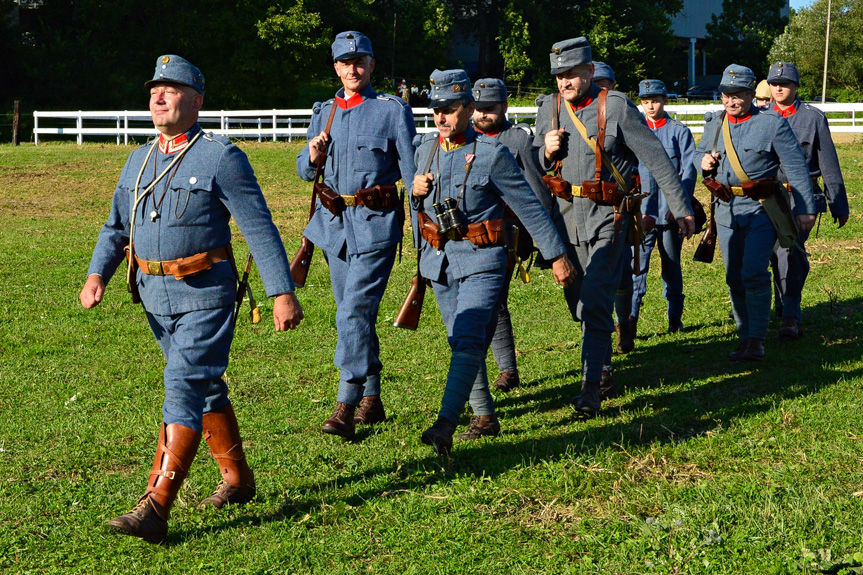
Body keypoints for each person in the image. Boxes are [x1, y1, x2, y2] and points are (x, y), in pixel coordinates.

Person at [79, 55, 304, 543]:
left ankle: (155, 506)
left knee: (182, 383)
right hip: (155, 297)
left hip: (206, 294)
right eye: (155, 90)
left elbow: (259, 228)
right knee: (204, 387)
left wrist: (281, 293)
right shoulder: (139, 158)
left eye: (172, 89)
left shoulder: (221, 157)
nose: (159, 97)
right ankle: (239, 481)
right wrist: (98, 273)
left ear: (197, 100)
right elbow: (117, 226)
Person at [412, 69, 575, 454]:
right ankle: (484, 416)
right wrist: (415, 194)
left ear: (468, 109)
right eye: (436, 110)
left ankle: (446, 423)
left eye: (449, 110)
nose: (441, 118)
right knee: (460, 342)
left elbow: (530, 208)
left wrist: (557, 256)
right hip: (440, 262)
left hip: (484, 259)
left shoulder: (493, 154)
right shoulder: (425, 150)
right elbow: (420, 212)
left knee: (469, 335)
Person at [534, 37, 695, 414]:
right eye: (559, 76)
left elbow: (655, 158)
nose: (564, 83)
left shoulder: (617, 107)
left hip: (609, 216)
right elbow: (534, 165)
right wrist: (545, 150)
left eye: (571, 75)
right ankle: (604, 367)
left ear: (590, 72)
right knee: (579, 303)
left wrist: (680, 206)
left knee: (595, 300)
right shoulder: (549, 108)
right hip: (565, 218)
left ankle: (591, 387)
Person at [296, 31, 417, 439]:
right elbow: (304, 170)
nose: (353, 68)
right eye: (345, 63)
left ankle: (346, 403)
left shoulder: (391, 110)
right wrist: (312, 154)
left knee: (350, 314)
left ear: (371, 65)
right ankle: (374, 398)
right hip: (334, 230)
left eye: (360, 61)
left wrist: (422, 237)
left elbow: (410, 173)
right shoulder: (324, 111)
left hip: (376, 227)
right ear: (336, 68)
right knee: (356, 315)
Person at [695, 64, 816, 361]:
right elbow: (697, 153)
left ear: (751, 94)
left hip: (762, 210)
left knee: (753, 271)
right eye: (726, 95)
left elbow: (797, 167)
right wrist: (703, 161)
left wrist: (805, 209)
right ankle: (743, 333)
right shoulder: (714, 123)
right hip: (725, 211)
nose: (730, 101)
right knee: (733, 276)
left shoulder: (772, 123)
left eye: (737, 95)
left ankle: (755, 340)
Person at [471, 77, 554, 393]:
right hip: (469, 235)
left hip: (506, 234)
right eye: (478, 109)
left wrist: (539, 240)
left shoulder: (517, 140)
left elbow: (536, 191)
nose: (482, 115)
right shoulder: (466, 139)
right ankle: (505, 368)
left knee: (494, 302)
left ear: (504, 106)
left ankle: (505, 369)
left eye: (489, 109)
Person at [767, 61, 850, 340]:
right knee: (771, 254)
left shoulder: (812, 118)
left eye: (785, 84)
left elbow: (828, 162)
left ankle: (790, 315)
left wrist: (838, 203)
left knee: (789, 253)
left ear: (796, 87)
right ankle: (783, 308)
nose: (779, 88)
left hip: (800, 198)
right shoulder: (761, 116)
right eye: (774, 84)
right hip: (765, 197)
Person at [632, 79, 697, 332]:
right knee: (637, 267)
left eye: (655, 101)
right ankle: (629, 323)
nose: (650, 106)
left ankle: (675, 320)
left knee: (671, 267)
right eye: (646, 101)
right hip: (642, 214)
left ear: (665, 100)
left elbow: (688, 173)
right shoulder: (635, 132)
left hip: (670, 215)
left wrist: (680, 209)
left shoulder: (679, 131)